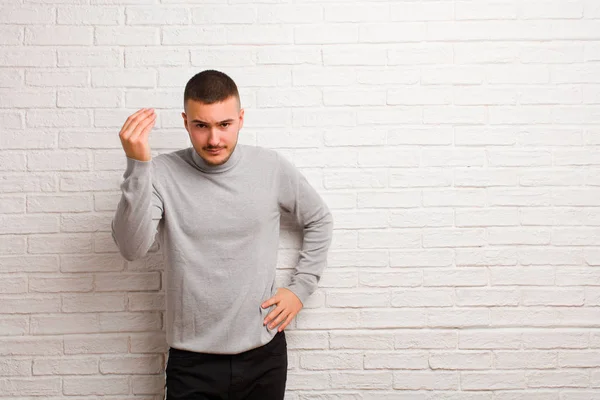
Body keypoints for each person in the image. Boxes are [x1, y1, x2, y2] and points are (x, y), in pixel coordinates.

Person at [111, 69, 334, 400]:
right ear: (186, 122)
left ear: (241, 119)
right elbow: (131, 247)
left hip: (264, 354)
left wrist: (300, 289)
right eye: (201, 126)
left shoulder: (270, 167)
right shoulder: (160, 173)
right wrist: (138, 166)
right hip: (192, 362)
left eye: (224, 125)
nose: (214, 139)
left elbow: (319, 219)